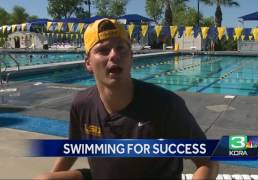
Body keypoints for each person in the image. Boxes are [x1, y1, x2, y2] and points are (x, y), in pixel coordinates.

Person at [34, 18, 219, 180]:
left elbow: (208, 163)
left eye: (121, 48)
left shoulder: (165, 105)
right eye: (103, 50)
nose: (114, 55)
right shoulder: (82, 104)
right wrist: (53, 175)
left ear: (131, 57)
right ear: (88, 63)